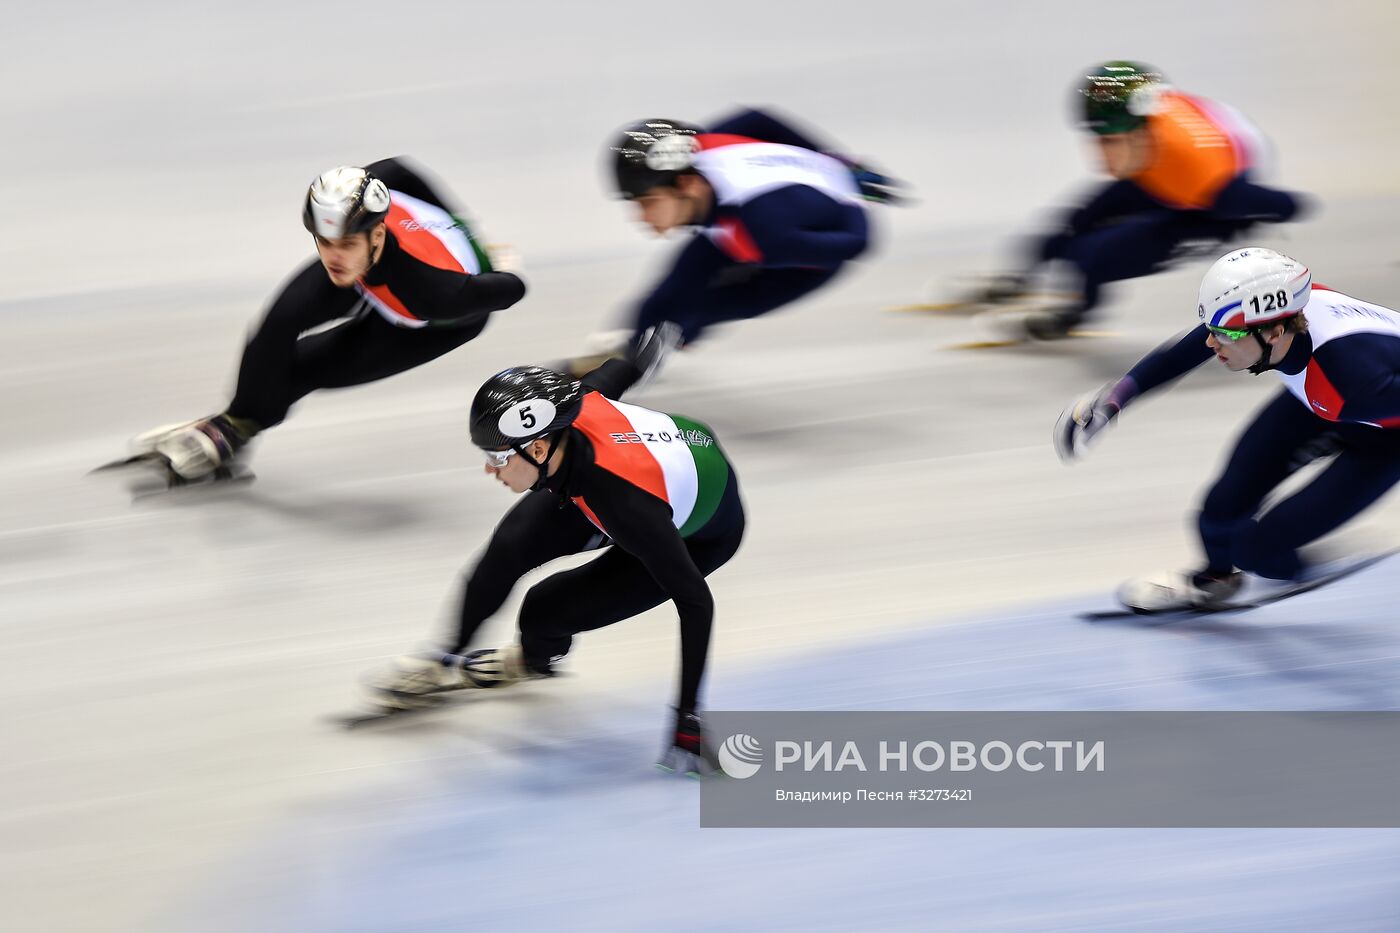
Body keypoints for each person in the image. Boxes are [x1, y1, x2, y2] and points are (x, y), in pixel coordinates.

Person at [370, 355, 745, 776]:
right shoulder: (575, 403)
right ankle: (441, 661)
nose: (488, 469)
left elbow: (696, 602)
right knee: (509, 548)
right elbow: (622, 366)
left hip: (698, 533)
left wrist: (688, 715)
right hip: (644, 467)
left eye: (496, 458)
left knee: (545, 609)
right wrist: (654, 339)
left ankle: (532, 660)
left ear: (538, 447)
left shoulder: (624, 504)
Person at [133, 159, 526, 480]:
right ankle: (234, 423)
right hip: (372, 273)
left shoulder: (435, 293)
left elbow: (512, 290)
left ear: (377, 234)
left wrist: (492, 261)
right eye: (324, 243)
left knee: (308, 367)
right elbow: (401, 168)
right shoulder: (373, 193)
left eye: (346, 244)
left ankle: (238, 428)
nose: (333, 257)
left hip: (423, 324)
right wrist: (457, 218)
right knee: (277, 326)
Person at [1056, 247, 1400, 611]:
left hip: (1383, 439)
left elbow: (1356, 383)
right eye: (1212, 330)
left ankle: (1300, 565)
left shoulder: (1351, 376)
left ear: (1274, 333)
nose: (1211, 344)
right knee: (1220, 511)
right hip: (1322, 402)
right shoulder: (1280, 315)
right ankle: (1215, 580)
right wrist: (1115, 399)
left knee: (1259, 551)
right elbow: (1182, 353)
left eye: (1223, 335)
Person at [980, 61, 1305, 340]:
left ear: (1142, 134)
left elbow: (1288, 205)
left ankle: (1073, 316)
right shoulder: (1146, 134)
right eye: (1095, 139)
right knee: (1074, 223)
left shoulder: (1212, 184)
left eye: (1109, 141)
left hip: (1208, 206)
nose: (1099, 154)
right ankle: (1021, 279)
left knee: (1093, 255)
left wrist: (1262, 223)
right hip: (1162, 171)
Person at [570, 107, 903, 375]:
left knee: (699, 311)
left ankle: (634, 366)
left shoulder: (767, 232)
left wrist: (849, 194)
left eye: (647, 203)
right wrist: (834, 158)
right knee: (666, 297)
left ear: (686, 185)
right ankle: (634, 355)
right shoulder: (700, 144)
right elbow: (758, 118)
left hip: (796, 262)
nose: (639, 217)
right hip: (735, 218)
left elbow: (859, 243)